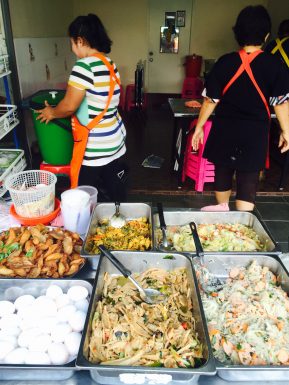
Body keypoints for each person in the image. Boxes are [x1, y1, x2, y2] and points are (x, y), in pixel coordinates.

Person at [191, 5, 289, 211]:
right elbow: (281, 102)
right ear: (266, 35)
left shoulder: (224, 62)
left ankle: (223, 213)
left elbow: (210, 100)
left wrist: (199, 127)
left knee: (223, 174)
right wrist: (286, 131)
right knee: (248, 181)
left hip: (224, 129)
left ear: (238, 33)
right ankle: (241, 226)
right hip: (255, 133)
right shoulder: (274, 65)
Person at [36, 14, 128, 202]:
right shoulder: (110, 64)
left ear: (80, 40)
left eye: (72, 42)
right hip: (115, 140)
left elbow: (69, 105)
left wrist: (51, 112)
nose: (72, 48)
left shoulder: (84, 67)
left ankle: (88, 228)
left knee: (84, 198)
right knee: (112, 194)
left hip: (95, 148)